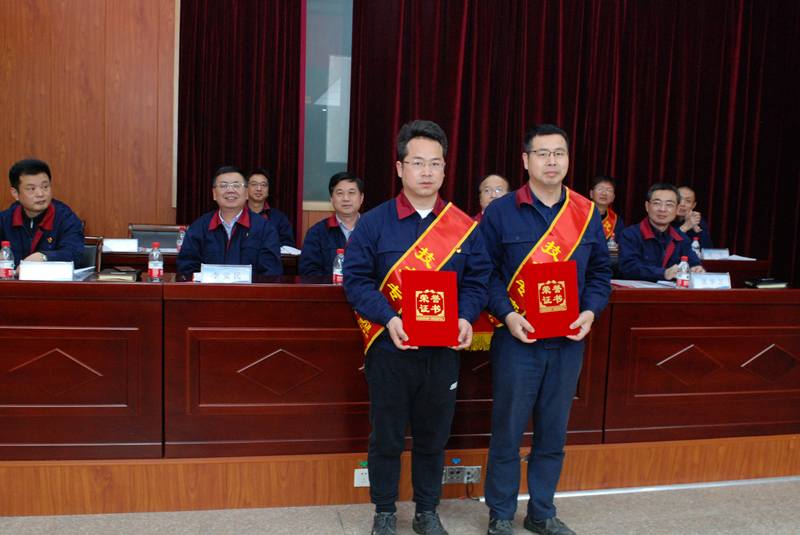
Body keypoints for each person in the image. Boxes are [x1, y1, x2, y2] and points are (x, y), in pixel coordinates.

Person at [343, 120, 491, 535]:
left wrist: (465, 317)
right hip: (391, 348)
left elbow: (478, 282)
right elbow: (356, 280)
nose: (427, 171)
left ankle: (427, 511)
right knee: (387, 436)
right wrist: (389, 318)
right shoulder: (374, 223)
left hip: (443, 352)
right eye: (418, 163)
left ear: (445, 169)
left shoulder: (464, 227)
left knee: (433, 437)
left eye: (435, 163)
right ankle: (385, 511)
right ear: (400, 167)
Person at [480, 124, 612, 535]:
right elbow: (485, 274)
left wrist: (590, 312)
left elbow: (600, 274)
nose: (551, 161)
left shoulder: (586, 212)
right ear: (525, 160)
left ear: (568, 159)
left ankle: (541, 512)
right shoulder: (500, 211)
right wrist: (507, 315)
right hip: (517, 340)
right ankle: (501, 515)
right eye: (542, 153)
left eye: (559, 153)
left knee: (553, 434)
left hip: (568, 341)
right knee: (508, 432)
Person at [177, 166, 282, 275]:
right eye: (224, 186)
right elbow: (187, 269)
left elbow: (271, 273)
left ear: (246, 193)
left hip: (251, 287)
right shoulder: (199, 227)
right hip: (209, 287)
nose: (231, 190)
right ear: (214, 194)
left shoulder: (265, 228)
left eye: (237, 185)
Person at [0, 158, 84, 270]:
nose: (40, 194)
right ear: (15, 193)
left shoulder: (66, 219)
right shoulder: (4, 220)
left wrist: (44, 257)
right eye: (31, 189)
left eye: (45, 187)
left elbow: (75, 255)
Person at [618, 183, 705, 281]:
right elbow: (628, 269)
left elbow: (695, 263)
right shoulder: (630, 234)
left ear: (677, 209)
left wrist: (697, 269)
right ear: (647, 206)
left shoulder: (681, 238)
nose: (662, 209)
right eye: (657, 203)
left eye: (669, 204)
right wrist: (664, 273)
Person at [298, 171, 363, 277]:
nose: (346, 198)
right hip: (328, 287)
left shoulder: (374, 230)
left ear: (361, 198)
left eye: (351, 193)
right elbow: (309, 272)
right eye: (340, 193)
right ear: (331, 199)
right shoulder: (317, 233)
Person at [246, 169, 296, 247]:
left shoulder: (279, 218)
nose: (259, 188)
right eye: (254, 184)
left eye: (263, 185)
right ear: (246, 189)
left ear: (268, 191)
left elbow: (287, 245)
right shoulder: (237, 214)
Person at [671, 185, 713, 250]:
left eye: (688, 201)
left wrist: (696, 228)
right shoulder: (664, 217)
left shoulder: (697, 219)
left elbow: (708, 250)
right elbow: (665, 246)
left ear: (693, 205)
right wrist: (685, 227)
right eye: (679, 199)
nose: (682, 204)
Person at [588, 175, 624, 241]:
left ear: (613, 197)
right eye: (600, 189)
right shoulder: (580, 215)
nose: (604, 193)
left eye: (609, 190)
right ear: (591, 193)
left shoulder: (617, 222)